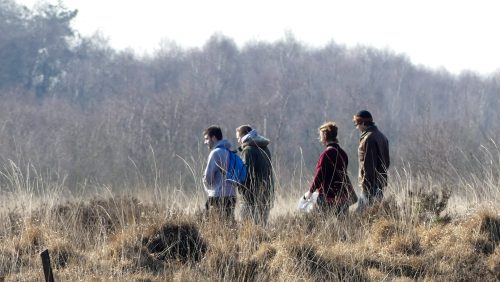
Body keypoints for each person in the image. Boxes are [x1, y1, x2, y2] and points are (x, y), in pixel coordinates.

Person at [306, 121, 357, 216]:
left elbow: (319, 175)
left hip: (327, 197)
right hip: (343, 197)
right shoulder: (343, 153)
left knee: (323, 225)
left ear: (325, 136)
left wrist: (310, 191)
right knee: (343, 226)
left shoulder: (326, 154)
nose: (320, 138)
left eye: (321, 135)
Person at [236, 125, 274, 225]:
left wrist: (237, 185)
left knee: (247, 227)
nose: (238, 141)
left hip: (250, 198)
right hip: (265, 195)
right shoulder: (265, 149)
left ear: (244, 136)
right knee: (262, 227)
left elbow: (245, 175)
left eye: (239, 138)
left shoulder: (248, 151)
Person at [353, 110, 390, 212]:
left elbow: (368, 165)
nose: (357, 127)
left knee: (360, 215)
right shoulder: (382, 137)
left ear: (364, 123)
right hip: (379, 183)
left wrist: (366, 185)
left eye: (357, 124)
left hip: (369, 185)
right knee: (375, 213)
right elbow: (386, 162)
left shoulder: (368, 138)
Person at [202, 125, 237, 221]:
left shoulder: (215, 153)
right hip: (232, 195)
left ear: (213, 138)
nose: (205, 142)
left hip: (217, 196)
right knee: (229, 225)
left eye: (206, 139)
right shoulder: (230, 152)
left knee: (210, 223)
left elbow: (208, 177)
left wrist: (205, 180)